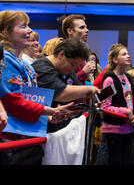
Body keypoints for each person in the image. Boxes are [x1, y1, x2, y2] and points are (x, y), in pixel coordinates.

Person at [0, 10, 76, 164]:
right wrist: (50, 110)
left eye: (29, 26)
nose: (30, 31)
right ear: (5, 32)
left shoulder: (25, 64)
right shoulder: (6, 60)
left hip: (28, 135)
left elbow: (29, 100)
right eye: (23, 26)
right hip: (11, 139)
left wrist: (47, 117)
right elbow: (12, 101)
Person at [32, 38, 100, 132]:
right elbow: (61, 93)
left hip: (58, 129)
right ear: (61, 54)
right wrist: (88, 90)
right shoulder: (41, 67)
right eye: (72, 64)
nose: (73, 69)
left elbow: (77, 91)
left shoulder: (66, 70)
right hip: (39, 130)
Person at [101, 44, 134, 165]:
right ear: (115, 59)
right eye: (124, 54)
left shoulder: (128, 77)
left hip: (128, 130)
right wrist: (126, 112)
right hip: (113, 131)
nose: (128, 56)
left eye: (128, 53)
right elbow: (105, 107)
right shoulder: (109, 79)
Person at [62, 14, 96, 85]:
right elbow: (64, 83)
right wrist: (84, 72)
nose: (87, 30)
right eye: (82, 27)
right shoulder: (64, 52)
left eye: (86, 27)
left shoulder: (81, 52)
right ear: (70, 31)